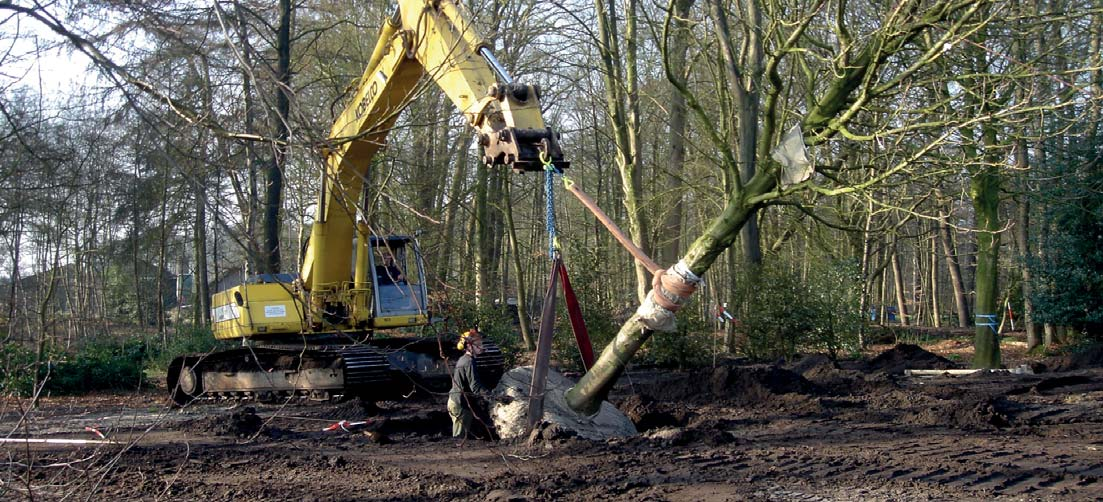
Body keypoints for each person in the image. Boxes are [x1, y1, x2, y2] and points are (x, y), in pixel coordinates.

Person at [448, 328, 490, 440]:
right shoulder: (469, 362)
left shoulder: (464, 359)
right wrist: (490, 396)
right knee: (459, 438)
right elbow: (475, 386)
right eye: (478, 344)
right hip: (460, 404)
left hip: (458, 401)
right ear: (469, 346)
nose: (482, 347)